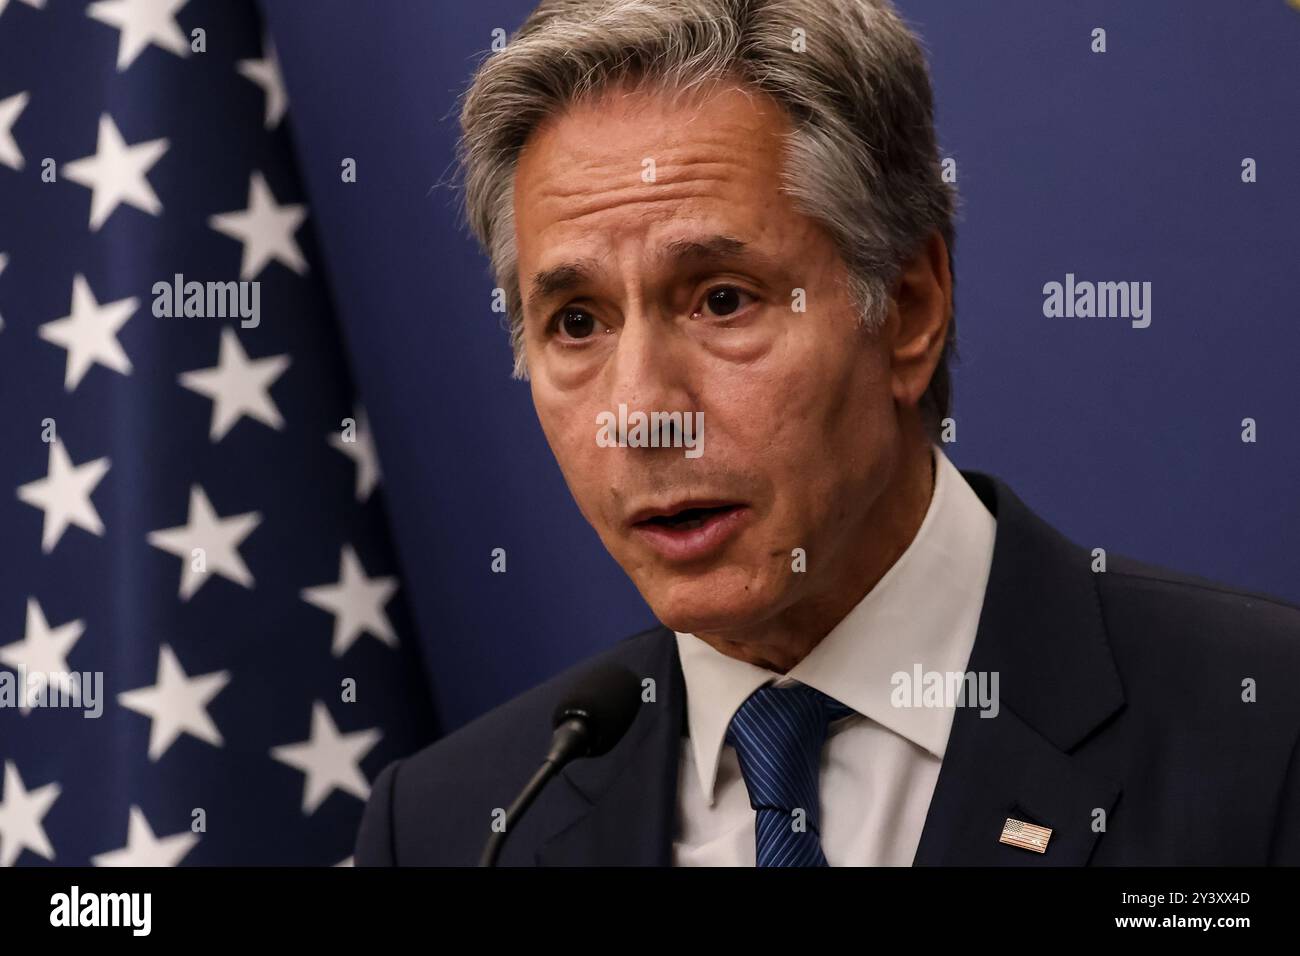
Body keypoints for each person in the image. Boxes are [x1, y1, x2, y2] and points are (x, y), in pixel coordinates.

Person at [356, 0, 1300, 866]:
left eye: (723, 301)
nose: (640, 411)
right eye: (576, 323)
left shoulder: (1263, 731)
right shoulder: (459, 823)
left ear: (910, 309)